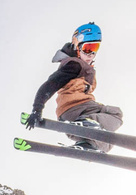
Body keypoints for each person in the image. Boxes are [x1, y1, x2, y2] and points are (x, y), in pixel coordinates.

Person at [25, 21, 124, 152]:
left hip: (73, 117)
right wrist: (37, 109)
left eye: (94, 49)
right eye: (87, 48)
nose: (91, 54)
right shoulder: (74, 65)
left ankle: (88, 145)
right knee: (116, 113)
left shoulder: (84, 67)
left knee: (109, 138)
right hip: (76, 109)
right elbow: (50, 85)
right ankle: (87, 123)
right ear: (77, 46)